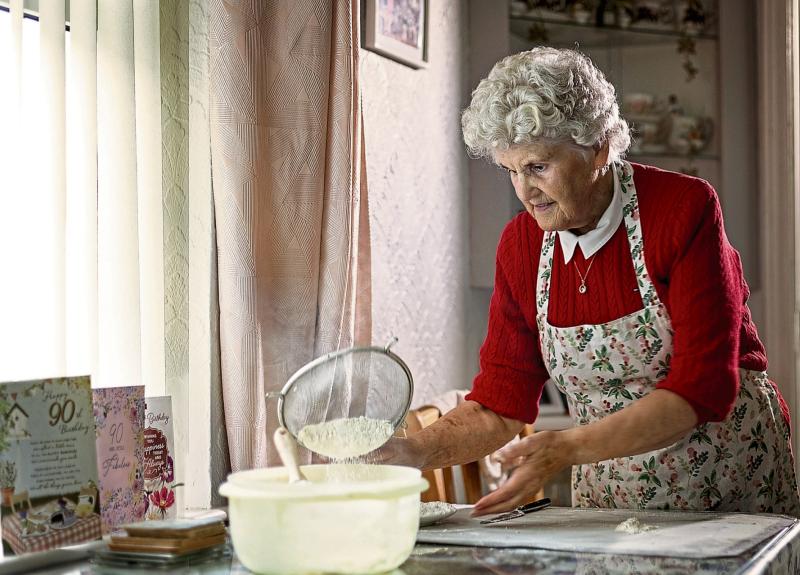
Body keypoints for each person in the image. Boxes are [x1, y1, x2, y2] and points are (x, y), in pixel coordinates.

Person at [379, 47, 800, 517]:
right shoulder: (521, 246)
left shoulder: (682, 209)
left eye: (538, 166)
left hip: (725, 480)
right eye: (511, 171)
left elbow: (703, 386)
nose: (525, 191)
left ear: (598, 146)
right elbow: (500, 403)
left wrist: (568, 448)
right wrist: (411, 453)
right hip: (611, 492)